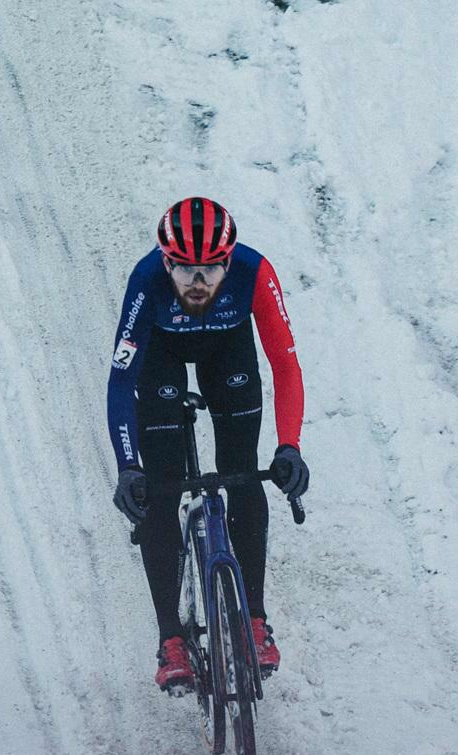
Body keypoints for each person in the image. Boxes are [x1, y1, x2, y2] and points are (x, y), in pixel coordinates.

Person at [107, 197, 309, 693]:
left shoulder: (255, 273)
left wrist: (289, 447)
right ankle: (171, 640)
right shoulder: (146, 280)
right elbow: (120, 381)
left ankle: (256, 623)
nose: (199, 283)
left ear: (229, 261)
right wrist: (129, 466)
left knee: (242, 474)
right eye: (186, 271)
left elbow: (285, 366)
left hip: (228, 350)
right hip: (163, 357)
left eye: (211, 270)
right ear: (167, 263)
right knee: (160, 490)